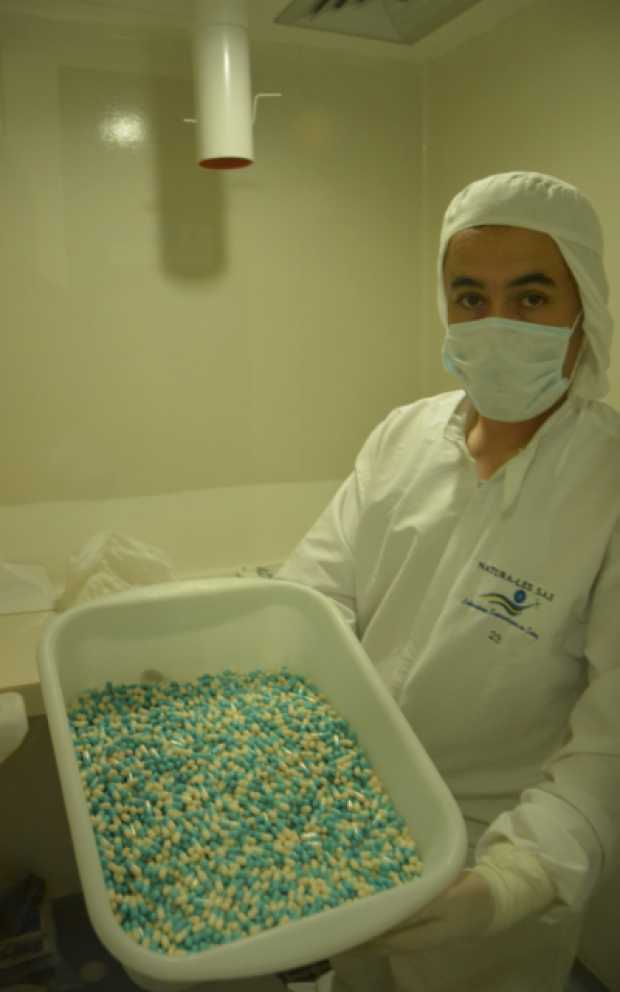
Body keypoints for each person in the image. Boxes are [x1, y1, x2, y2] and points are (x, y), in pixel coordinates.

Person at [276, 171, 620, 991]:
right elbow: (313, 599)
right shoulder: (402, 436)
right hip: (354, 826)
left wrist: (512, 881)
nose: (496, 324)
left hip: (494, 864)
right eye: (471, 297)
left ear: (584, 310)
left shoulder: (607, 483)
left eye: (530, 298)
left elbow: (609, 743)